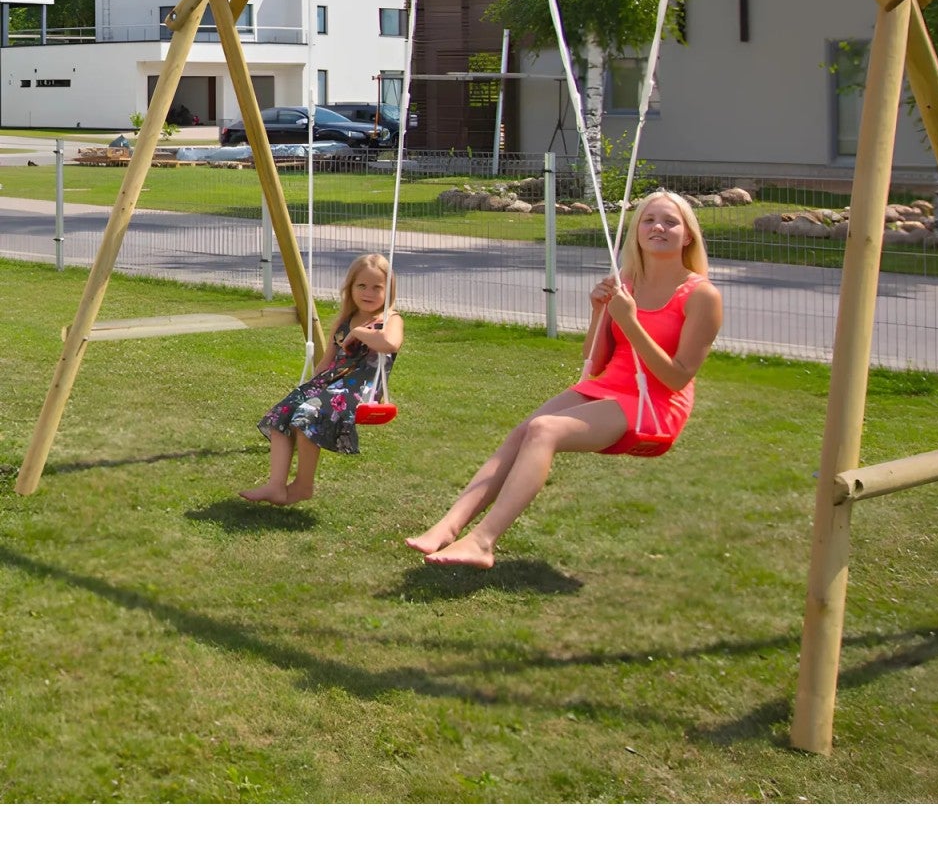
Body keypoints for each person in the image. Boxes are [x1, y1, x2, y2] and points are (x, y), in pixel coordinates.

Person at [406, 190, 723, 568]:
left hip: (653, 405)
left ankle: (483, 542)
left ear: (687, 235)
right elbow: (597, 359)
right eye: (649, 220)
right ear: (636, 231)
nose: (659, 227)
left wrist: (630, 321)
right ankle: (448, 526)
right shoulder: (627, 281)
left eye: (671, 222)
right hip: (609, 386)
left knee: (545, 430)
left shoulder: (702, 295)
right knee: (523, 431)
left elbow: (676, 377)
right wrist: (599, 312)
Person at [241, 253, 404, 505]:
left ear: (388, 290)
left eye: (377, 287)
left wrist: (360, 333)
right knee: (281, 414)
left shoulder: (390, 320)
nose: (368, 292)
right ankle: (275, 485)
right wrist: (308, 387)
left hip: (358, 390)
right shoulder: (345, 320)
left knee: (308, 416)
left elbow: (391, 343)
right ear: (350, 288)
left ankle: (303, 486)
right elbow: (327, 361)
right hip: (329, 382)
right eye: (361, 285)